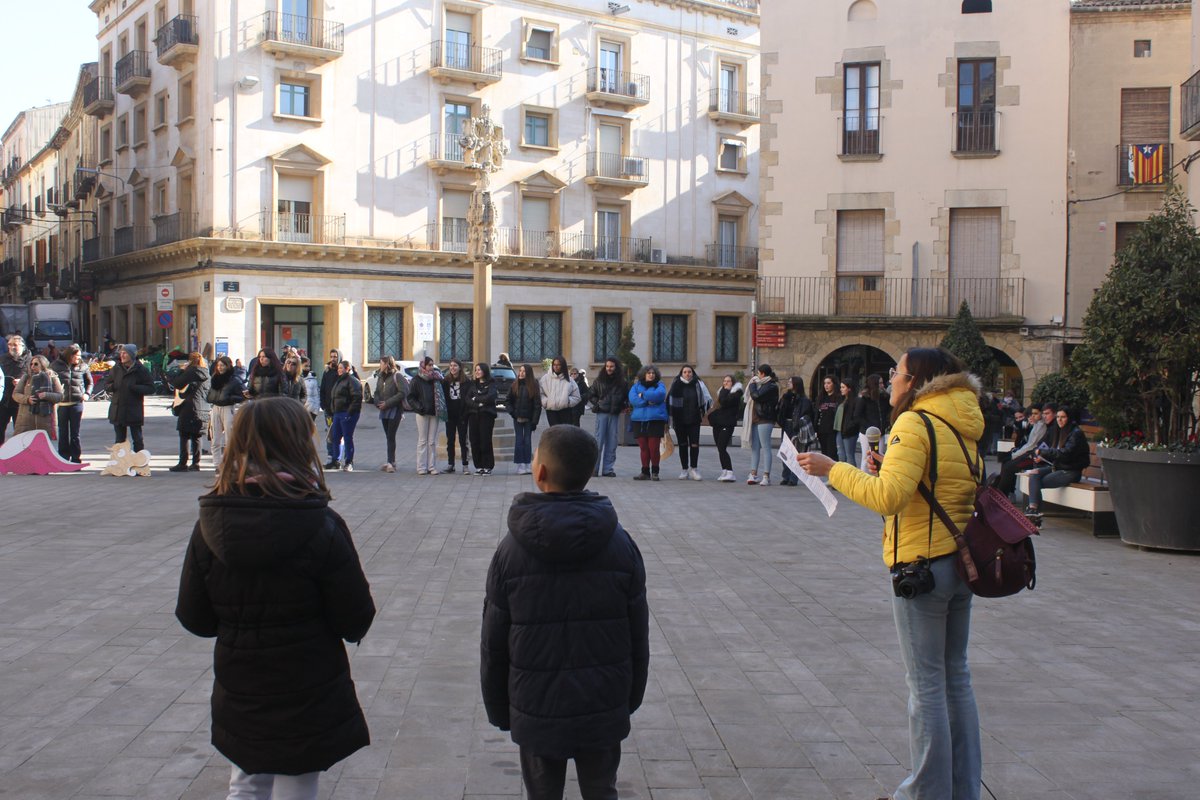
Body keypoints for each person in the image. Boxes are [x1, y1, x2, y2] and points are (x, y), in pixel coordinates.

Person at [795, 347, 984, 800]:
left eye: (896, 372)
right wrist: (889, 472)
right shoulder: (963, 421)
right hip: (960, 563)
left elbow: (888, 499)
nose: (891, 379)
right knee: (955, 678)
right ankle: (961, 790)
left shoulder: (915, 422)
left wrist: (832, 469)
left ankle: (925, 793)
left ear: (916, 380)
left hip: (921, 566)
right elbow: (939, 484)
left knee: (926, 687)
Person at [175, 396, 376, 800]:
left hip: (241, 680)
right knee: (297, 781)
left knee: (246, 781)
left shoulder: (211, 523)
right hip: (307, 680)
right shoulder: (320, 524)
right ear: (301, 445)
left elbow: (195, 616)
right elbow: (355, 616)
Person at [481, 425, 649, 800]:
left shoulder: (510, 552)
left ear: (539, 472)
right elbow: (638, 633)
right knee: (601, 789)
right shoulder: (621, 544)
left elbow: (493, 642)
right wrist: (629, 698)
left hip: (536, 703)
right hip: (602, 702)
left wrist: (499, 708)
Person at [1023, 406, 1090, 524]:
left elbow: (1065, 454)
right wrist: (1040, 455)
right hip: (1058, 467)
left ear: (1069, 418)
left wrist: (1044, 452)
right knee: (1034, 475)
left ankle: (1035, 516)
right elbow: (1054, 451)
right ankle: (1033, 510)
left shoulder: (1076, 433)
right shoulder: (1059, 430)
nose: (1059, 420)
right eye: (1058, 417)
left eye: (1063, 417)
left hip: (1071, 471)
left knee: (1037, 483)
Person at [104, 344, 155, 453]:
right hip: (118, 408)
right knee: (119, 440)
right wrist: (114, 386)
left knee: (137, 439)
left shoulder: (141, 370)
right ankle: (120, 464)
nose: (122, 355)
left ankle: (139, 462)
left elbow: (151, 388)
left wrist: (135, 387)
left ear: (132, 355)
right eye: (121, 353)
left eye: (125, 353)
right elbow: (107, 385)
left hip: (133, 409)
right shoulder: (116, 369)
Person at [667, 365, 712, 481]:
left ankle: (694, 468)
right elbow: (668, 402)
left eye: (689, 372)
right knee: (682, 445)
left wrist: (703, 411)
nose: (687, 374)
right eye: (685, 372)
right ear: (681, 373)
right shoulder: (676, 384)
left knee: (694, 444)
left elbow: (706, 399)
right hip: (679, 420)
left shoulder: (698, 384)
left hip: (694, 419)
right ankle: (684, 469)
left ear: (693, 373)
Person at [168, 352, 212, 472]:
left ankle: (182, 463)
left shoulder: (191, 371)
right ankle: (196, 463)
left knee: (184, 435)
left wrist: (182, 370)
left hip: (189, 407)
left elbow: (177, 383)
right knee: (197, 437)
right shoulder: (207, 374)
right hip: (204, 408)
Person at [51, 344, 92, 463]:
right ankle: (63, 457)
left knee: (75, 433)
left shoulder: (83, 366)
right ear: (70, 355)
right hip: (62, 404)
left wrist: (87, 394)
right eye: (76, 356)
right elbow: (50, 380)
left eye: (80, 356)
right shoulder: (56, 365)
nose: (78, 358)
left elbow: (89, 382)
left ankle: (76, 457)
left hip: (77, 403)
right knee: (63, 431)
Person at [627, 365, 668, 481]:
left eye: (653, 373)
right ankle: (645, 472)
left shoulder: (660, 385)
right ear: (644, 374)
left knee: (653, 448)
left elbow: (659, 395)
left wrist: (643, 395)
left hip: (655, 420)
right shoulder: (636, 386)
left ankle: (655, 471)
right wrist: (648, 402)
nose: (651, 375)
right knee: (643, 448)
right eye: (649, 373)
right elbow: (633, 400)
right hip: (639, 420)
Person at [206, 356, 245, 472]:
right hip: (215, 408)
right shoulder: (214, 378)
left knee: (229, 437)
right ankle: (217, 464)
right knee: (215, 438)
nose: (220, 367)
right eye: (218, 365)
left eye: (222, 365)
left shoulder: (235, 379)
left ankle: (229, 463)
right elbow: (210, 392)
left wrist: (231, 398)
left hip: (228, 407)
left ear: (228, 366)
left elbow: (243, 395)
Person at [589, 358, 626, 478]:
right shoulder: (599, 380)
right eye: (607, 366)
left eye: (612, 366)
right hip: (602, 414)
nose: (609, 369)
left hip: (614, 414)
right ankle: (594, 469)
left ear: (616, 368)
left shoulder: (622, 382)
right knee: (598, 442)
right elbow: (591, 394)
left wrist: (623, 405)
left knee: (612, 442)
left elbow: (626, 397)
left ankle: (608, 469)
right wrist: (598, 404)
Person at [406, 357, 444, 475]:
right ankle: (421, 466)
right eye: (429, 365)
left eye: (432, 365)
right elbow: (411, 397)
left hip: (434, 412)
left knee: (432, 441)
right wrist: (419, 407)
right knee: (423, 440)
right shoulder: (416, 380)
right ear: (424, 366)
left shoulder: (436, 379)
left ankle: (432, 466)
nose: (431, 367)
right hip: (422, 413)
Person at [325, 360, 362, 472]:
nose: (339, 370)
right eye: (338, 368)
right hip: (337, 413)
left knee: (347, 437)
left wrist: (349, 413)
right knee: (335, 437)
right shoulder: (339, 380)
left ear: (347, 369)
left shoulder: (352, 381)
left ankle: (349, 461)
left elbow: (357, 398)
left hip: (347, 413)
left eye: (341, 368)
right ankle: (336, 461)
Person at [13, 355, 63, 436]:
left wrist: (46, 395)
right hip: (26, 420)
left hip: (46, 420)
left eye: (36, 364)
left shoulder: (52, 378)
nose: (32, 366)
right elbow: (15, 394)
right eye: (31, 364)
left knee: (43, 446)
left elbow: (60, 396)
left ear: (43, 365)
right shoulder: (26, 377)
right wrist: (27, 399)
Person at [373, 355, 407, 473]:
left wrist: (387, 403)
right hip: (384, 410)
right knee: (388, 436)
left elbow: (403, 392)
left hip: (394, 410)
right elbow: (376, 392)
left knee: (391, 436)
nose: (379, 366)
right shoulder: (380, 377)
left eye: (381, 363)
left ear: (387, 364)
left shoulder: (397, 376)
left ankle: (391, 462)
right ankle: (390, 461)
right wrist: (377, 403)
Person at [778, 377, 815, 486]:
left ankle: (793, 478)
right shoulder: (787, 397)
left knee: (795, 452)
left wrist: (798, 424)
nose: (788, 383)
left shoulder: (803, 399)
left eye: (790, 382)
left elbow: (806, 413)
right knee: (785, 451)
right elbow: (781, 411)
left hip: (796, 427)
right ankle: (785, 476)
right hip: (786, 424)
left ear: (796, 384)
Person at [746, 364, 779, 486]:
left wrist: (752, 386)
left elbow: (756, 396)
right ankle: (753, 474)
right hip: (755, 418)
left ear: (763, 374)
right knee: (755, 447)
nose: (756, 376)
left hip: (765, 418)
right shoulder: (762, 384)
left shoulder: (770, 386)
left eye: (758, 373)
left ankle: (766, 475)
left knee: (766, 447)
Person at [708, 375, 743, 482]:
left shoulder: (736, 393)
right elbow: (718, 405)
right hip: (718, 424)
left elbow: (725, 402)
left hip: (727, 424)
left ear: (733, 383)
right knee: (719, 448)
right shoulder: (722, 392)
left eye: (728, 381)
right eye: (724, 381)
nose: (726, 383)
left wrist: (725, 391)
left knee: (722, 447)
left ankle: (730, 472)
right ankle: (725, 470)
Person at [465, 362, 499, 475]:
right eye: (476, 370)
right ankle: (478, 466)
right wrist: (477, 404)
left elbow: (490, 397)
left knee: (485, 440)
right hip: (473, 415)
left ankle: (487, 466)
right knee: (474, 440)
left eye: (479, 370)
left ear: (484, 371)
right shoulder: (473, 384)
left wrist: (477, 398)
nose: (477, 372)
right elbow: (468, 399)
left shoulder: (492, 383)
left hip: (486, 415)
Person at [508, 364, 542, 475]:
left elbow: (537, 405)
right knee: (519, 441)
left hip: (529, 419)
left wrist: (534, 421)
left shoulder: (534, 386)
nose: (521, 373)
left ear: (528, 373)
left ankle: (527, 464)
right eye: (520, 371)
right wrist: (512, 412)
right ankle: (520, 464)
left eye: (524, 371)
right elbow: (508, 401)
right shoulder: (514, 385)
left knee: (527, 441)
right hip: (517, 417)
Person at [854, 373, 891, 470]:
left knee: (879, 455)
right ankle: (863, 479)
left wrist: (886, 424)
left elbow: (889, 412)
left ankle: (878, 478)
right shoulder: (864, 398)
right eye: (880, 383)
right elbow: (857, 415)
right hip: (867, 433)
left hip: (880, 432)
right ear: (874, 384)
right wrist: (869, 428)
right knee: (866, 457)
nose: (883, 385)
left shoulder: (885, 397)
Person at [0, 334, 31, 443]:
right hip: (4, 400)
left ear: (22, 346)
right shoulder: (3, 359)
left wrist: (22, 381)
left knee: (21, 431)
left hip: (22, 400)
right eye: (10, 345)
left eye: (15, 345)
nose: (12, 347)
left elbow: (38, 377)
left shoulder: (31, 361)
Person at [443, 359, 470, 473]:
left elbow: (468, 398)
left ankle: (465, 465)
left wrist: (465, 413)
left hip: (462, 414)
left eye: (455, 366)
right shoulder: (445, 381)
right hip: (450, 415)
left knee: (463, 440)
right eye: (451, 366)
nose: (453, 368)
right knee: (450, 440)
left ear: (460, 367)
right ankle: (451, 464)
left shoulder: (466, 382)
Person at [540, 356, 580, 427]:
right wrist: (546, 402)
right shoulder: (545, 378)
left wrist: (567, 402)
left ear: (563, 366)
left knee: (565, 433)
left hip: (565, 411)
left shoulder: (569, 380)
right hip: (551, 411)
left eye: (558, 365)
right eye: (554, 365)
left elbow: (577, 396)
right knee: (555, 433)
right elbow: (540, 393)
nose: (556, 367)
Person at [836, 378, 860, 465]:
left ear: (849, 388)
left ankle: (853, 477)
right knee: (841, 456)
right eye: (841, 387)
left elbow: (856, 418)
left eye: (843, 387)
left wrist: (849, 427)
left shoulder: (856, 400)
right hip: (839, 430)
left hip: (849, 432)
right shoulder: (841, 400)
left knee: (849, 456)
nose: (841, 389)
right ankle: (843, 477)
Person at [815, 375, 840, 460]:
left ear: (834, 384)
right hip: (822, 430)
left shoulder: (838, 398)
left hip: (833, 431)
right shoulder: (821, 398)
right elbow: (817, 414)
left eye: (829, 383)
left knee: (832, 454)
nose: (826, 385)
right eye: (825, 383)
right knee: (824, 454)